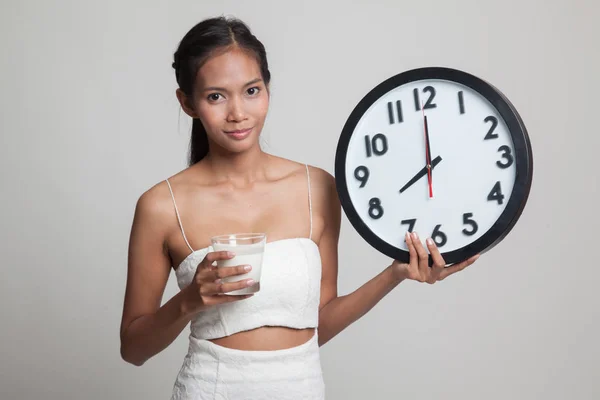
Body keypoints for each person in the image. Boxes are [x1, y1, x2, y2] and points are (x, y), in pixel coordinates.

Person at [119, 16, 480, 399]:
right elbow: (133, 349)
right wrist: (189, 301)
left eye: (252, 90)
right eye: (216, 96)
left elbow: (318, 323)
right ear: (187, 102)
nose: (238, 112)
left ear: (268, 89)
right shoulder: (161, 206)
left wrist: (394, 275)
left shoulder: (317, 188)